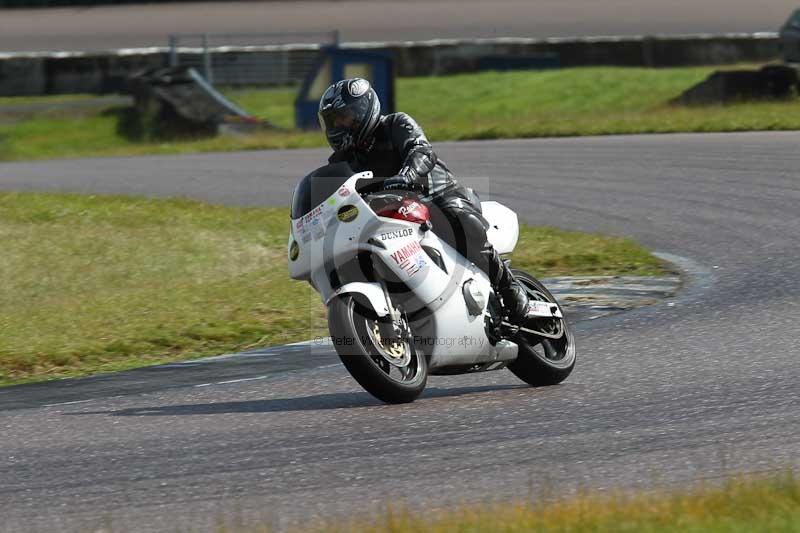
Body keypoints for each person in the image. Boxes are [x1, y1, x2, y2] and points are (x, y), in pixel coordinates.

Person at [318, 78, 531, 322]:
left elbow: (421, 150)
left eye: (343, 116)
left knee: (458, 222)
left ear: (362, 110)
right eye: (333, 120)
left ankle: (508, 286)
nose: (338, 125)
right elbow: (337, 194)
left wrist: (406, 175)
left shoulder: (395, 124)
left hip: (437, 193)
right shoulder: (342, 162)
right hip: (391, 214)